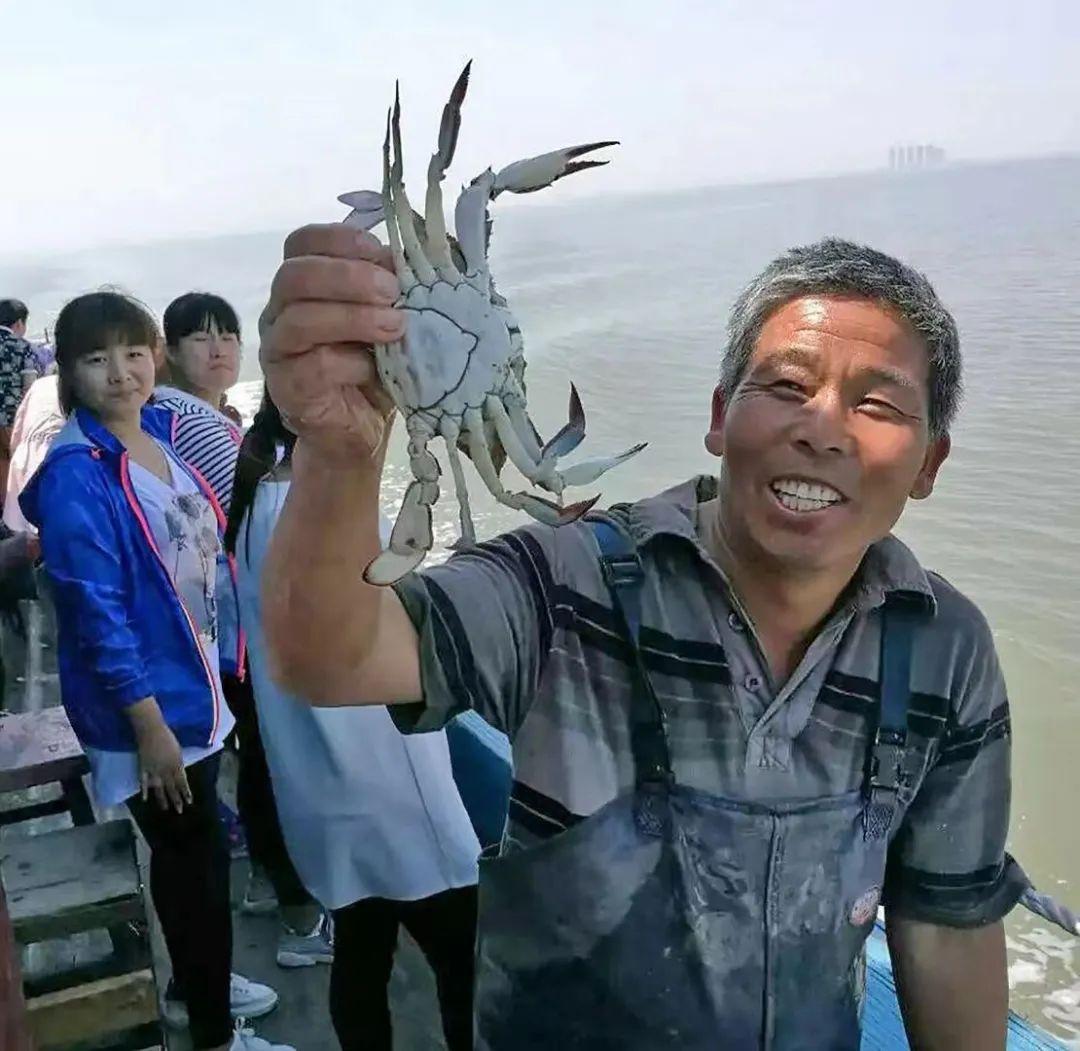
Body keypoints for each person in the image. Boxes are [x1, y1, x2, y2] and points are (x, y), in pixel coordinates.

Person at [258, 225, 1025, 1050]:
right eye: (789, 384)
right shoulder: (563, 581)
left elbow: (948, 925)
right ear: (721, 417)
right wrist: (340, 452)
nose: (824, 428)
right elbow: (330, 657)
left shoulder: (946, 650)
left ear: (930, 463)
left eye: (876, 404)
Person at [19, 291, 291, 1051]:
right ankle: (212, 1031)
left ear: (155, 357)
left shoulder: (161, 430)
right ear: (69, 371)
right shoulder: (78, 473)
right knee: (195, 864)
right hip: (150, 709)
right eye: (97, 359)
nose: (121, 372)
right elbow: (94, 613)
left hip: (192, 682)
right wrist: (149, 730)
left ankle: (196, 982)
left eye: (134, 353)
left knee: (195, 859)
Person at [226, 388, 482, 1050]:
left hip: (317, 785)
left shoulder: (259, 498)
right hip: (389, 777)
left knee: (361, 951)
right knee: (467, 962)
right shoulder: (321, 510)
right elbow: (385, 632)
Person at [153, 290, 328, 963]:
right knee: (272, 762)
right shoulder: (195, 420)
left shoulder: (186, 413)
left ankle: (270, 886)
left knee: (259, 760)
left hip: (218, 626)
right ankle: (298, 918)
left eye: (227, 334)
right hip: (237, 627)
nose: (219, 347)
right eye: (200, 337)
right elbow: (261, 519)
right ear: (170, 351)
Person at [0, 299, 42, 496]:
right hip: (11, 418)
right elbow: (30, 387)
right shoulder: (23, 347)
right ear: (18, 323)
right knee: (13, 464)